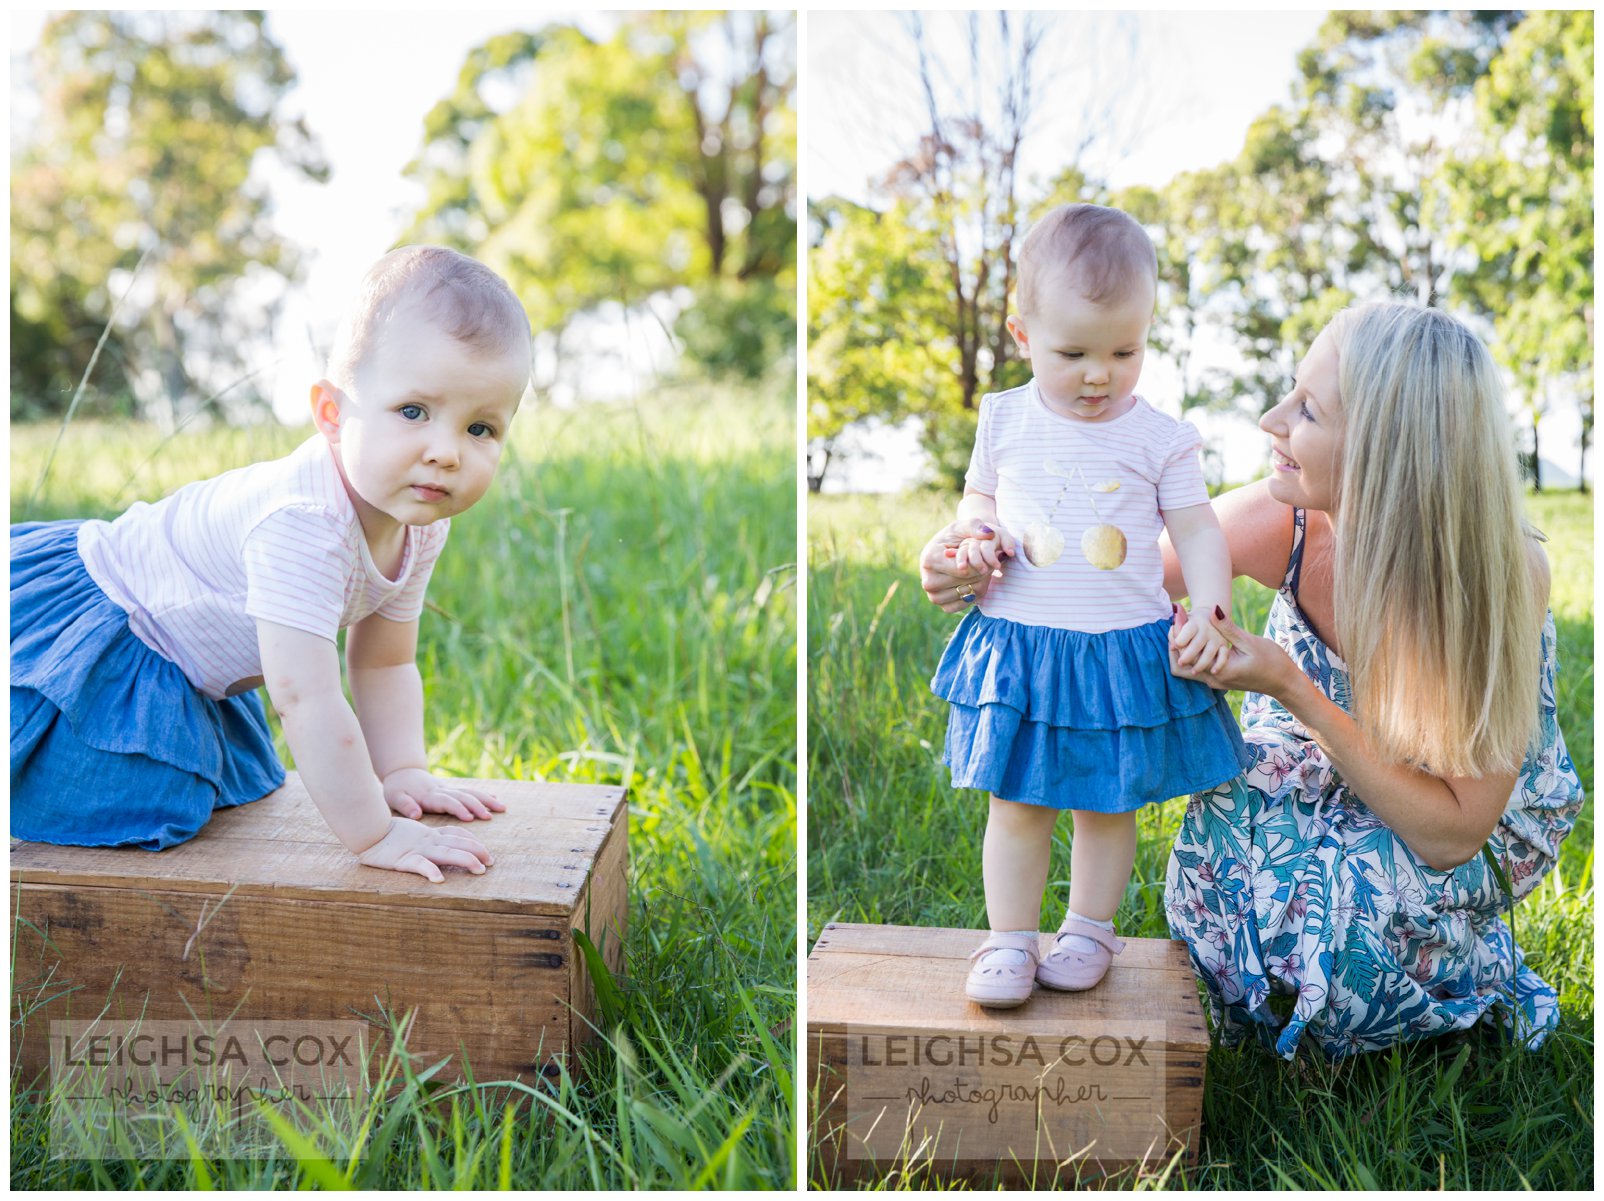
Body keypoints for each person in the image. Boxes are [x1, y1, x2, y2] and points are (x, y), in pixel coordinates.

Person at [922, 300, 1583, 1056]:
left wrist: (1291, 684)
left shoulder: (1499, 572)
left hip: (1457, 821)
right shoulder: (1288, 522)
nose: (1272, 420)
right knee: (1219, 845)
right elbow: (1093, 576)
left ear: (1386, 445)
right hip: (1321, 766)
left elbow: (1453, 832)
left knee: (1345, 931)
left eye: (1307, 409)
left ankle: (1464, 965)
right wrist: (968, 564)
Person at [12, 245, 533, 884]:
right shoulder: (305, 524)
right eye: (413, 412)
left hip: (188, 668)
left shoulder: (419, 524)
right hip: (110, 628)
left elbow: (383, 660)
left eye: (481, 429)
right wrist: (373, 833)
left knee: (229, 792)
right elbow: (304, 696)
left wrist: (401, 774)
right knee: (146, 805)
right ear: (333, 415)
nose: (446, 453)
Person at [928, 204, 1250, 1009]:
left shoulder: (1161, 438)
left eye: (1124, 350)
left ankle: (1088, 927)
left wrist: (1211, 611)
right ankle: (1008, 937)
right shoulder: (1004, 417)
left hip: (1116, 649)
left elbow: (1200, 532)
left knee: (1107, 805)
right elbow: (981, 499)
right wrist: (973, 535)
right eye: (1072, 352)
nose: (1099, 373)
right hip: (1025, 647)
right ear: (1023, 334)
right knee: (1019, 801)